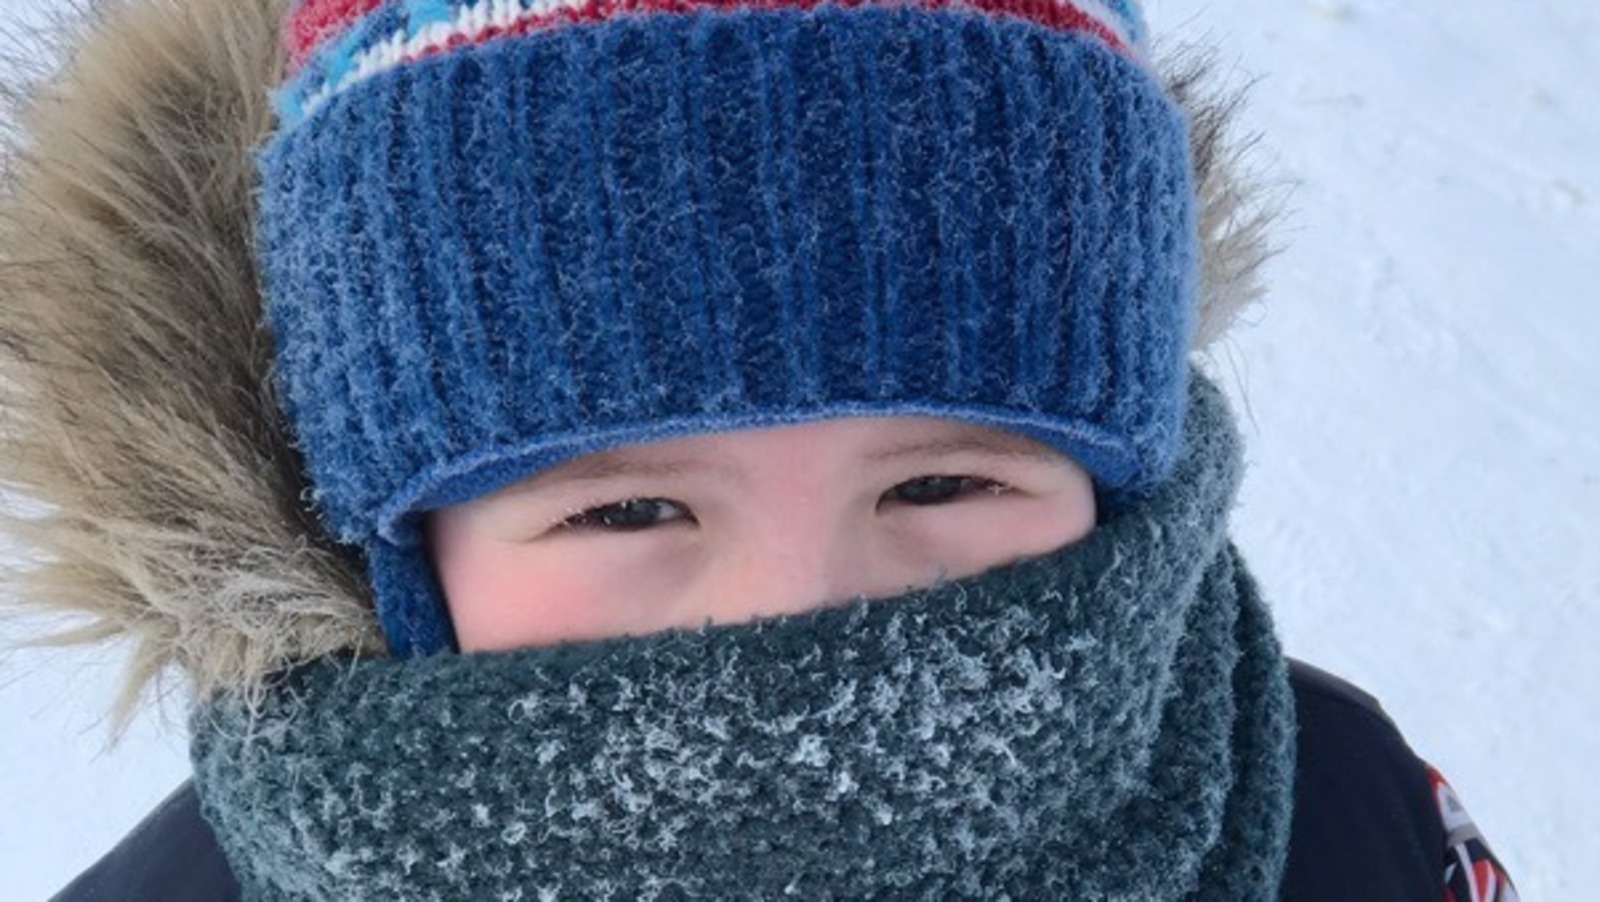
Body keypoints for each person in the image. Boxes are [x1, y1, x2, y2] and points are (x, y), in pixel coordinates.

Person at [0, 0, 1516, 898]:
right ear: (386, 542)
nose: (802, 614)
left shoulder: (1336, 810)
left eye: (944, 480)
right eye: (627, 507)